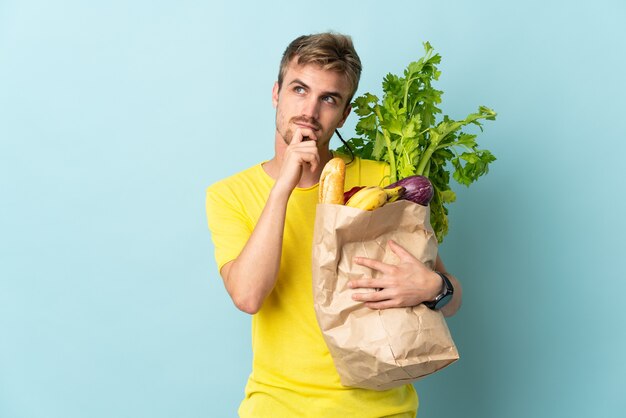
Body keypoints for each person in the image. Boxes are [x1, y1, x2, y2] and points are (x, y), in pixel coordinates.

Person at [205, 32, 462, 418]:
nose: (309, 110)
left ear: (344, 114)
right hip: (278, 408)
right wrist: (283, 189)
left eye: (329, 99)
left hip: (382, 409)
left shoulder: (381, 181)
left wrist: (433, 287)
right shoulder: (229, 194)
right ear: (276, 93)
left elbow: (453, 298)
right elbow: (248, 296)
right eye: (299, 89)